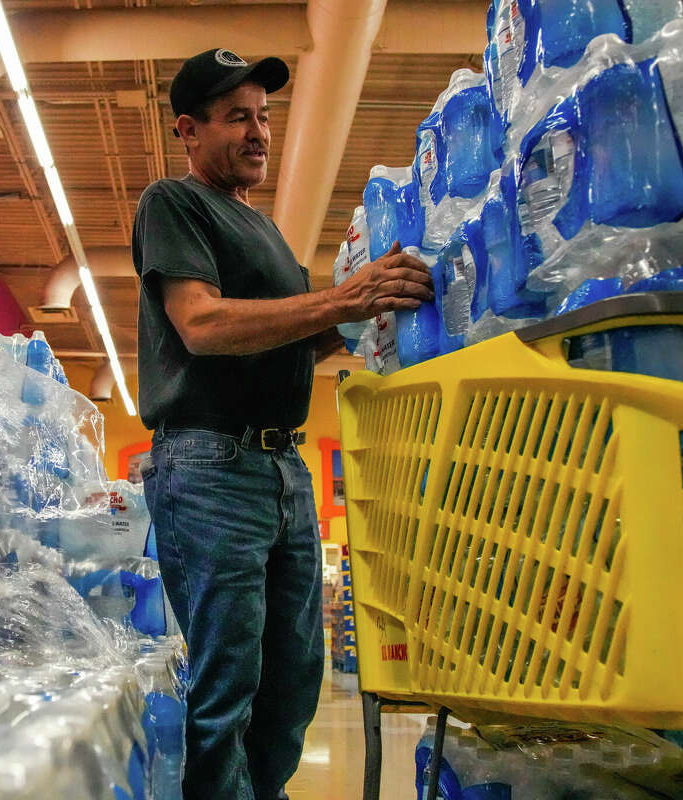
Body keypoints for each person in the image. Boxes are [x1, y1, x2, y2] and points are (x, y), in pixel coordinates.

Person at [132, 48, 433, 800]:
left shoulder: (265, 235)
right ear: (189, 130)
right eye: (238, 117)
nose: (259, 132)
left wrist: (376, 306)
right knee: (226, 682)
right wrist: (338, 300)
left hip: (281, 471)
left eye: (264, 117)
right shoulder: (175, 202)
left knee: (294, 680)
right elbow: (200, 324)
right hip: (208, 465)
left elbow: (301, 338)